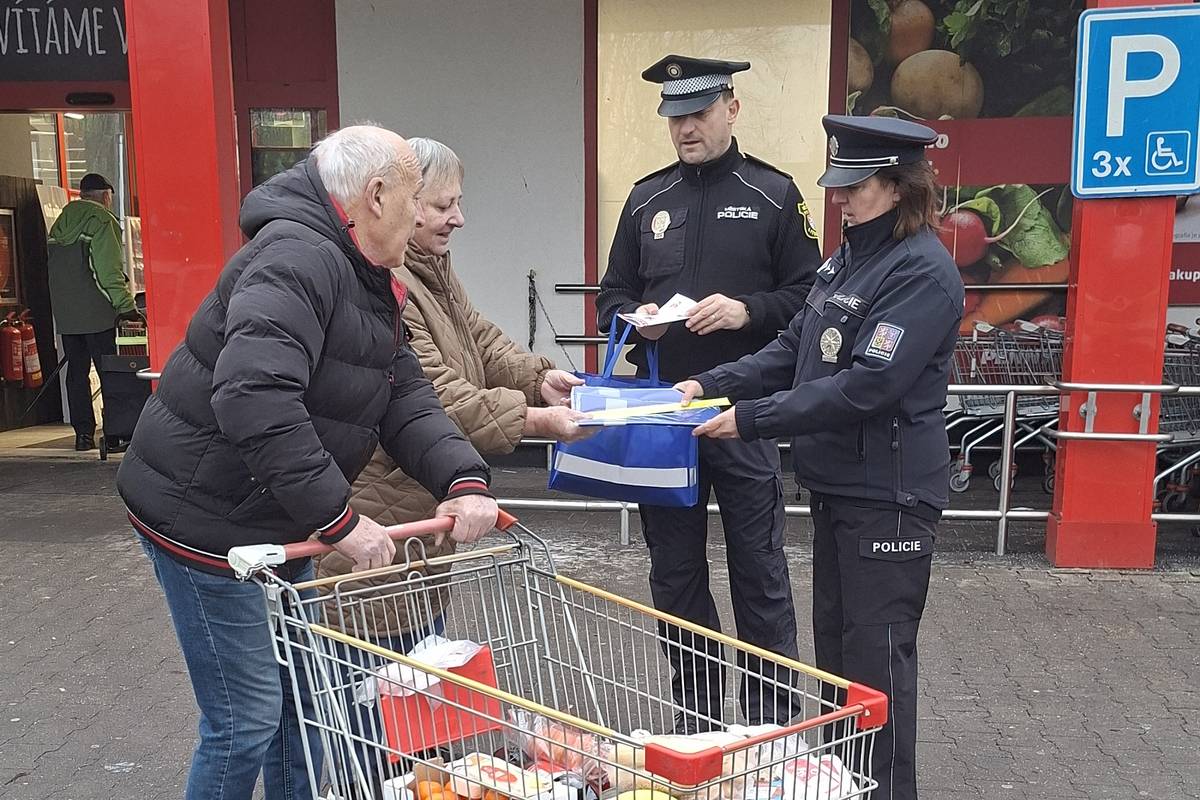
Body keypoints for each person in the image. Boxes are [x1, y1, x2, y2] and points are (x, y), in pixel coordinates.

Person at [116, 125, 500, 800]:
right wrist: (340, 520)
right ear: (375, 197)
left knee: (301, 712)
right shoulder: (296, 259)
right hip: (206, 521)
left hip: (277, 518)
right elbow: (253, 396)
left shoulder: (368, 273)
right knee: (246, 720)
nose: (424, 215)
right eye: (417, 199)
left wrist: (462, 479)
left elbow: (403, 394)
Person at [678, 115, 964, 800]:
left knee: (876, 673)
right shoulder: (848, 259)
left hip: (889, 500)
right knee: (839, 667)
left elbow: (869, 385)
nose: (841, 198)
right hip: (841, 490)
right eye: (837, 184)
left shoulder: (921, 271)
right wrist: (711, 384)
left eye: (856, 186)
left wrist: (749, 420)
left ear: (898, 186)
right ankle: (845, 788)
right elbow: (793, 348)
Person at [312, 137, 589, 787]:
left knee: (414, 693)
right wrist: (535, 421)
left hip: (421, 527)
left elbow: (481, 338)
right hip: (380, 521)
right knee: (373, 703)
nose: (456, 218)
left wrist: (538, 377)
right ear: (399, 204)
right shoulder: (389, 280)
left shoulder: (432, 268)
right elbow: (438, 397)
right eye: (441, 205)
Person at [595, 55, 822, 733]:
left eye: (698, 113)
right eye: (674, 118)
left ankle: (769, 725)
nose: (686, 128)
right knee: (677, 580)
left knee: (759, 574)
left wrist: (746, 311)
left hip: (742, 415)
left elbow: (811, 298)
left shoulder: (773, 194)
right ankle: (695, 725)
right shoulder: (646, 199)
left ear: (732, 107)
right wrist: (639, 317)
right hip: (666, 418)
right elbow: (610, 297)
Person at [46, 172, 140, 451]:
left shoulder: (60, 222)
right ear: (106, 195)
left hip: (66, 314)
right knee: (109, 372)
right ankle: (112, 432)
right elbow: (107, 272)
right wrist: (126, 306)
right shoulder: (102, 221)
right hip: (98, 312)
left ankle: (83, 434)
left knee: (76, 373)